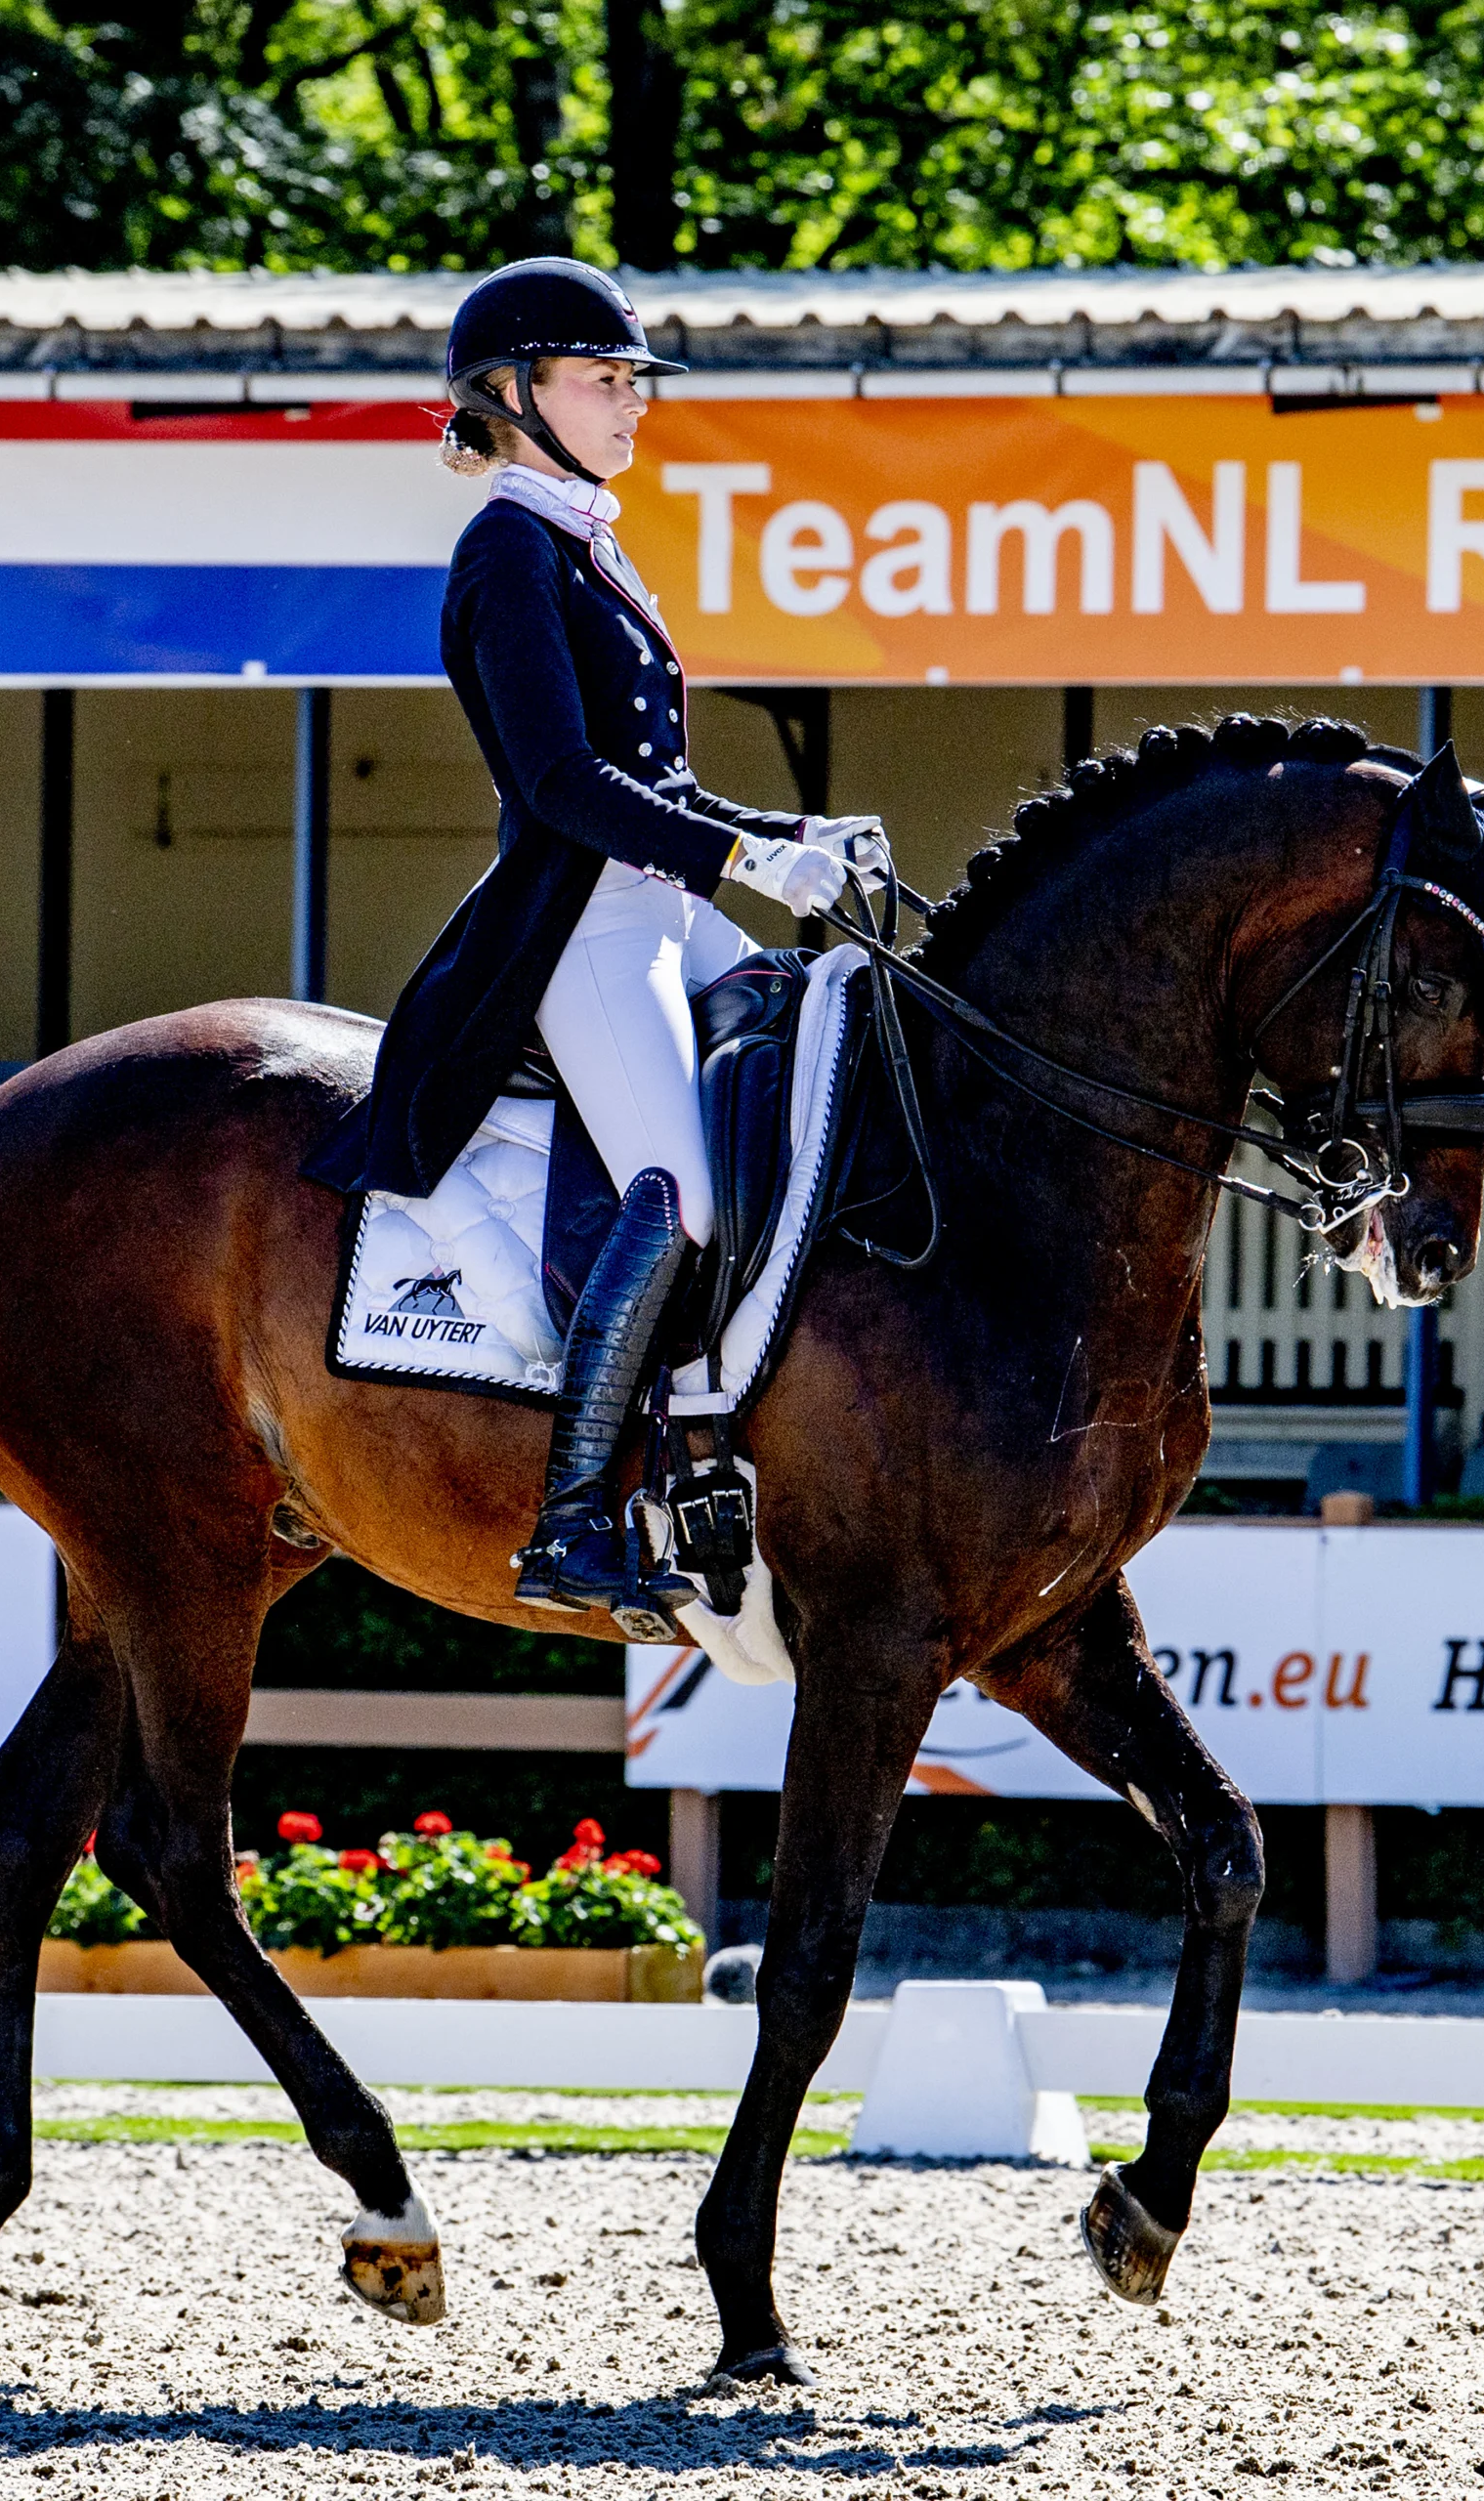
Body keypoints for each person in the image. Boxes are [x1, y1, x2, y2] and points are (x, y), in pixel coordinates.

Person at [301, 257, 887, 1617]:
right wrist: (751, 859)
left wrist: (789, 832)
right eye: (605, 379)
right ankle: (571, 1515)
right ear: (514, 394)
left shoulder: (582, 538)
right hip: (583, 925)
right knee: (680, 1195)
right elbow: (563, 784)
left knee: (831, 1060)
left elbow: (656, 784)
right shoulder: (509, 549)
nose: (634, 404)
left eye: (634, 381)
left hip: (664, 908)